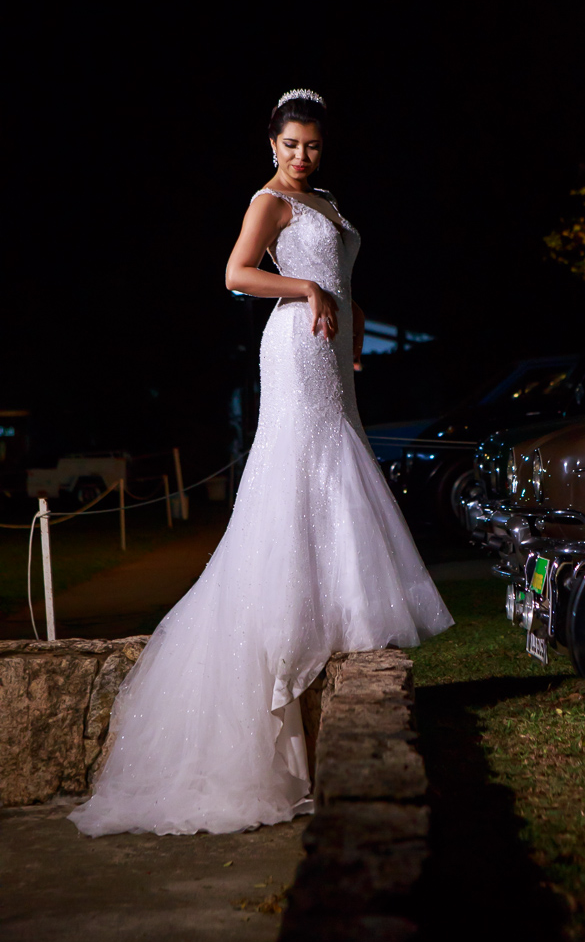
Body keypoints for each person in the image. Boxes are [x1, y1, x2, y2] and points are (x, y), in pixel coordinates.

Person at [69, 89, 454, 837]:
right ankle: (288, 630)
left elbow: (342, 274)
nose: (303, 156)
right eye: (291, 145)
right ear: (272, 145)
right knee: (303, 462)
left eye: (313, 145)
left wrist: (353, 316)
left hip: (332, 348)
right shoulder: (269, 201)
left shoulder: (328, 202)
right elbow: (237, 273)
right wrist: (306, 287)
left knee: (335, 462)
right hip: (295, 347)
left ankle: (336, 613)